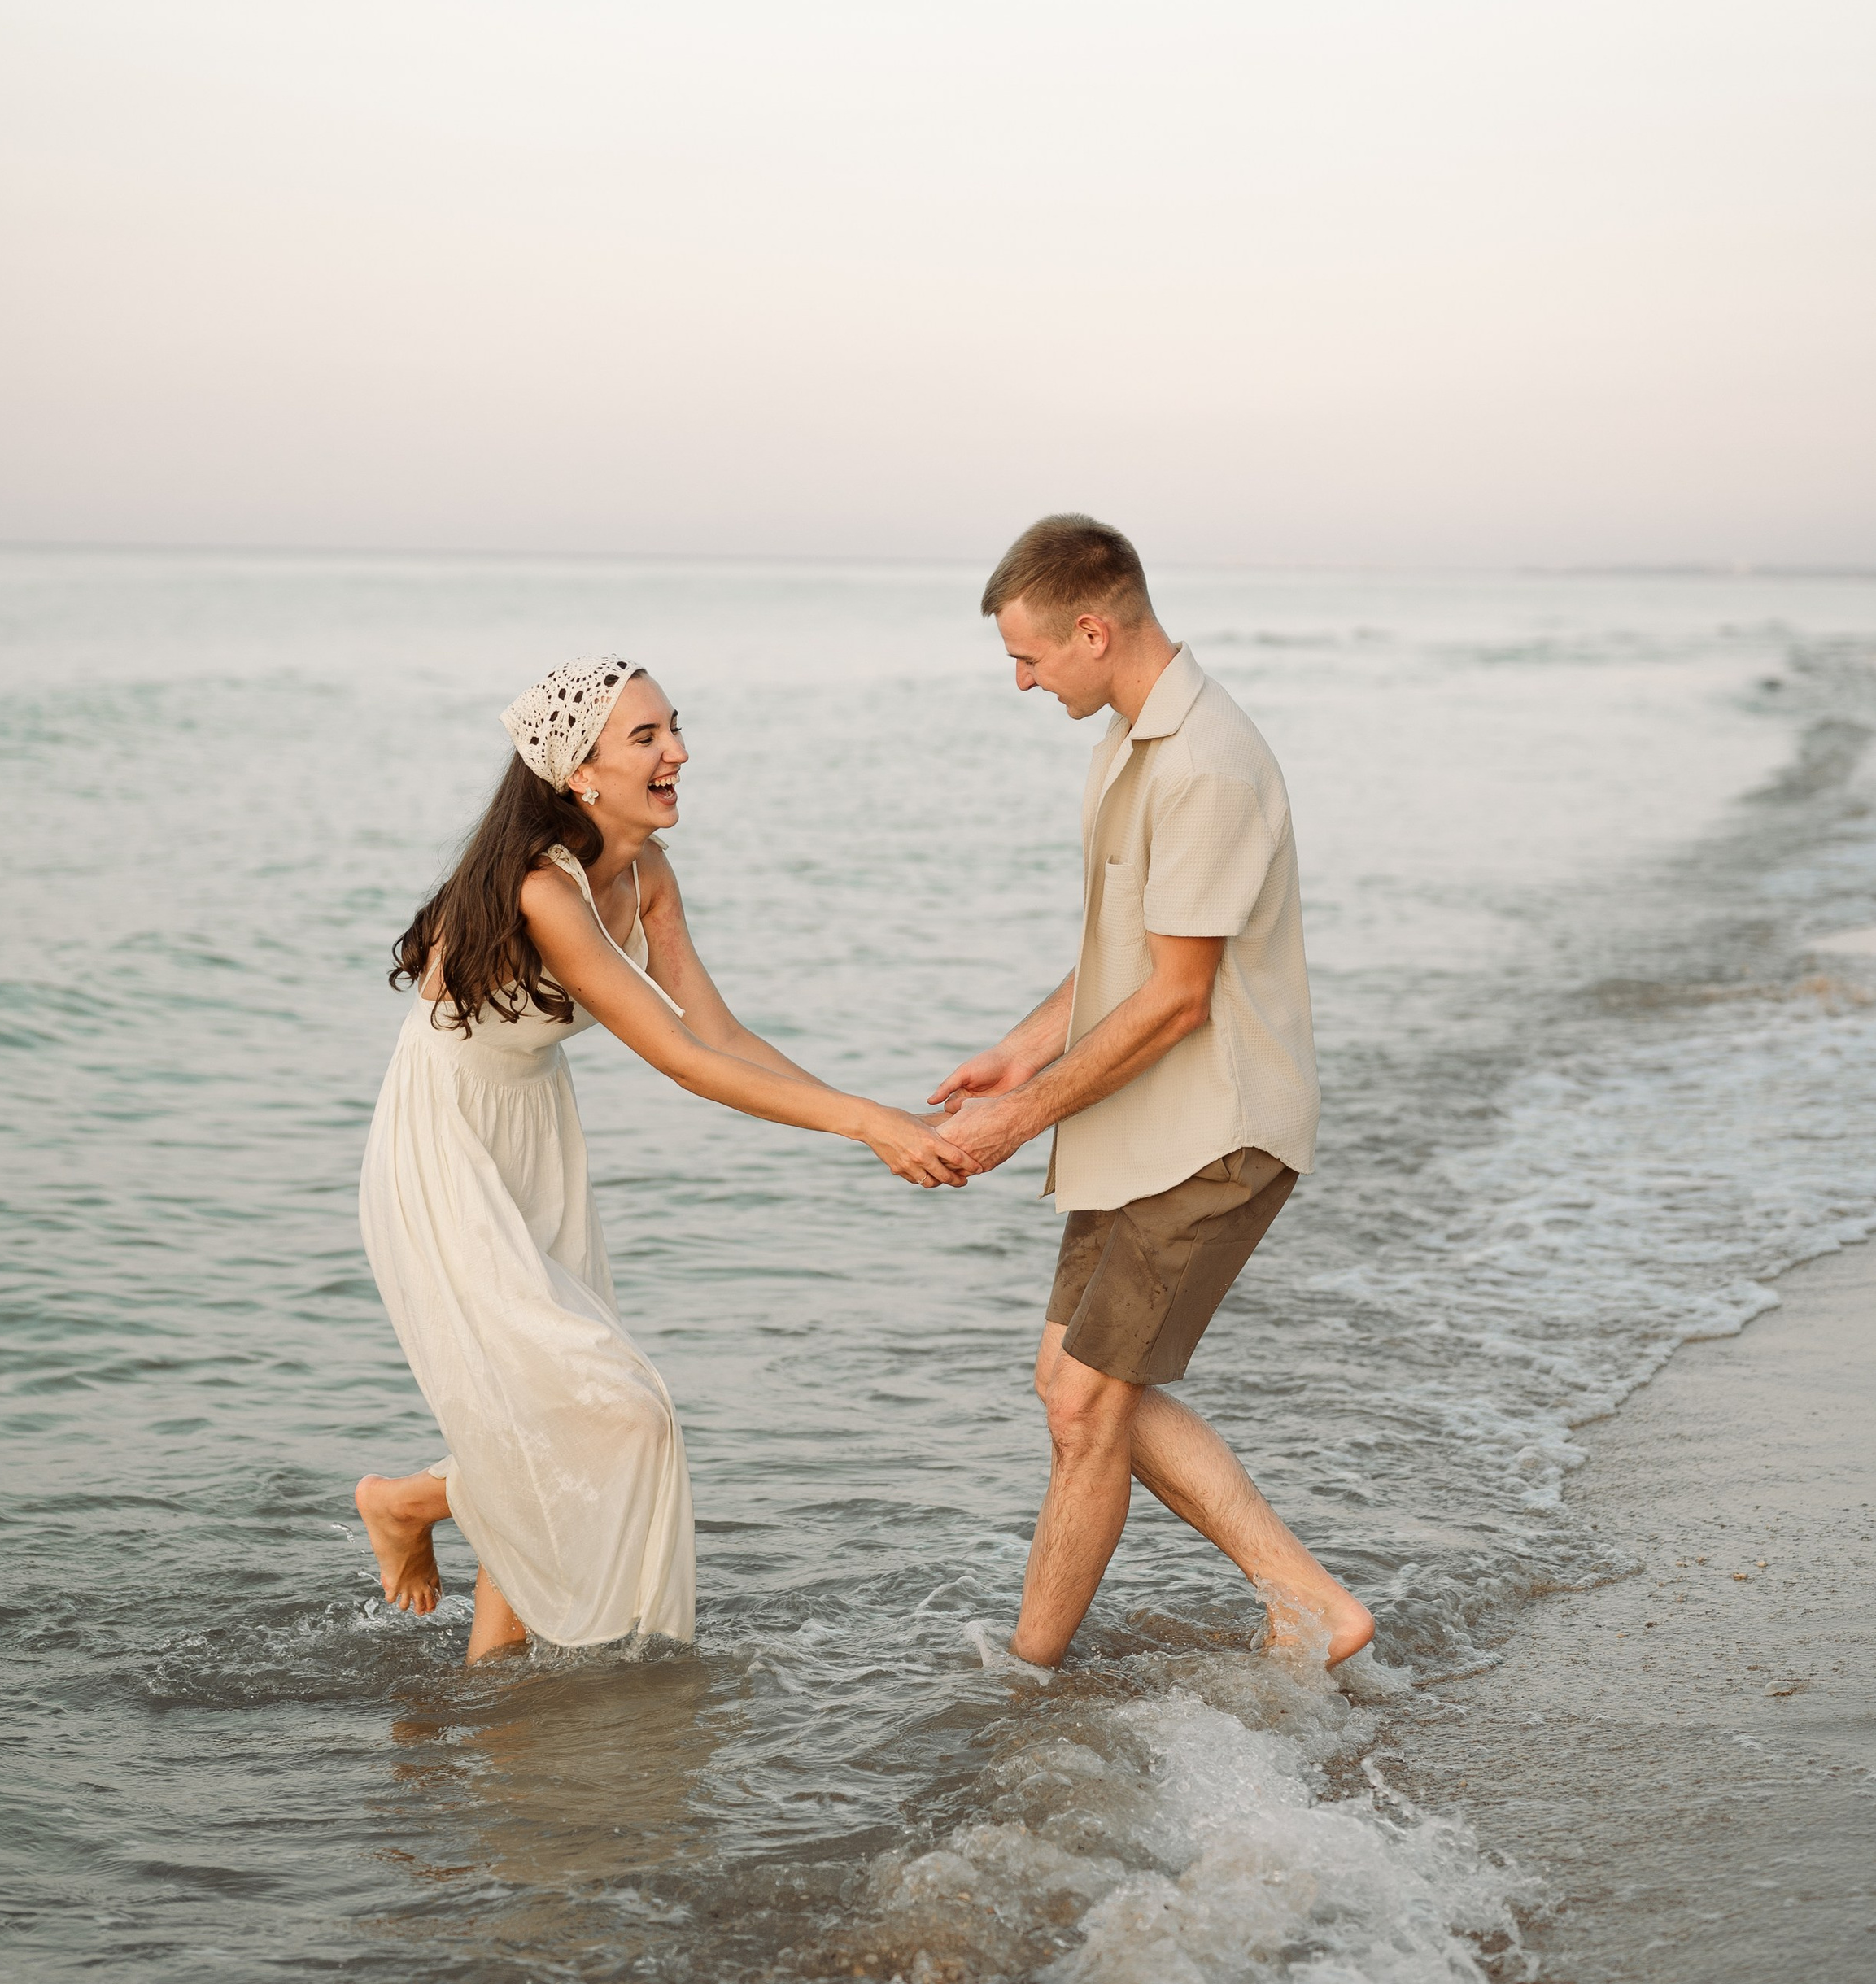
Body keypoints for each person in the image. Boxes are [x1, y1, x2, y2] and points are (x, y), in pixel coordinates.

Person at [354, 655, 962, 1663]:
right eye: (647, 737)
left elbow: (718, 1031)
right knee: (611, 1411)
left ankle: (491, 1679)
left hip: (532, 1129)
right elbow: (681, 1059)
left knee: (547, 1409)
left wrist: (885, 1115)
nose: (678, 750)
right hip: (444, 1142)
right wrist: (866, 1126)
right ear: (577, 772)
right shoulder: (543, 889)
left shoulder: (645, 874)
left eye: (673, 727)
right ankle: (409, 1500)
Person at [931, 517, 1375, 1672]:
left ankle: (1027, 1680)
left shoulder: (1206, 762)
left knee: (1085, 1407)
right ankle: (1304, 1601)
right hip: (1141, 1129)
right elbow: (1135, 942)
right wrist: (1026, 1051)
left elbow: (1180, 997)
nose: (1022, 680)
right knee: (1073, 1390)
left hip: (1216, 1133)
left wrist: (1006, 1130)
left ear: (1093, 628)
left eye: (1029, 657)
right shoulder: (1130, 740)